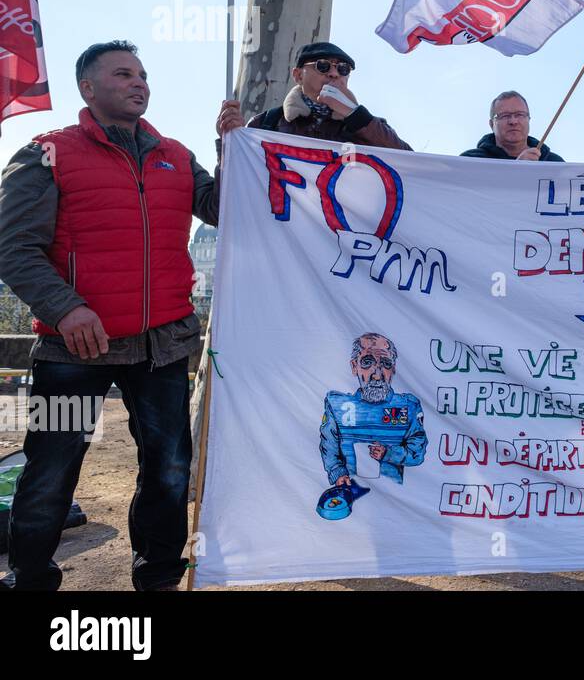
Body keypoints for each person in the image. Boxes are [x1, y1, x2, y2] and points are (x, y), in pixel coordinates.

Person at [0, 41, 221, 591]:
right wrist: (65, 308)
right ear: (88, 88)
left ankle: (160, 578)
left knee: (170, 471)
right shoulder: (47, 152)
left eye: (143, 74)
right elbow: (12, 245)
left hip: (162, 347)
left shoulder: (175, 154)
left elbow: (225, 209)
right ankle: (29, 579)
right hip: (75, 350)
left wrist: (232, 147)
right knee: (51, 472)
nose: (139, 82)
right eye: (123, 74)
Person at [217, 41, 411, 150]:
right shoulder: (267, 124)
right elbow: (232, 195)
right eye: (323, 65)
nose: (334, 73)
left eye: (342, 69)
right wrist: (230, 142)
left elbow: (411, 165)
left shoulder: (367, 126)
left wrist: (354, 115)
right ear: (298, 75)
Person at [319, 333, 427, 493]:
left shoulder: (408, 406)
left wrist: (388, 453)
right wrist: (337, 472)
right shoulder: (337, 405)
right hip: (352, 497)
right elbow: (329, 443)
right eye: (367, 363)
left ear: (394, 369)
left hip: (396, 500)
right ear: (354, 366)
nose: (377, 374)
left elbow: (417, 453)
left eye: (386, 364)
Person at [461, 91, 564, 161]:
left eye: (520, 114)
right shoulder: (469, 161)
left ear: (529, 120)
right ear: (492, 124)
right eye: (505, 116)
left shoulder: (554, 163)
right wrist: (516, 168)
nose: (513, 121)